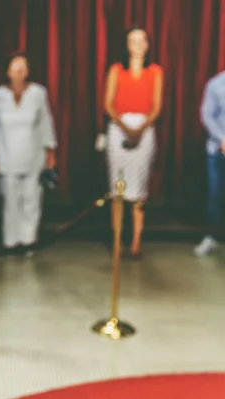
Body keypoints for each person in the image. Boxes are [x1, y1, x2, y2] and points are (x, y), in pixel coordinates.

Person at [0, 53, 57, 252]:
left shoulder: (38, 93)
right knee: (10, 200)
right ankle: (11, 242)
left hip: (34, 155)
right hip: (7, 154)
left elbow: (46, 123)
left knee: (32, 200)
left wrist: (50, 153)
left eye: (23, 67)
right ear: (8, 71)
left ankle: (28, 242)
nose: (19, 72)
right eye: (15, 67)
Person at [104, 26, 163, 258]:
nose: (138, 45)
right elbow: (108, 103)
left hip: (145, 129)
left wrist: (141, 127)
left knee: (138, 190)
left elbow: (156, 105)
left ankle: (136, 242)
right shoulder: (116, 70)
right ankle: (117, 239)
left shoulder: (155, 72)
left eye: (142, 41)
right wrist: (125, 126)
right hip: (119, 129)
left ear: (147, 45)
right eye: (133, 41)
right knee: (117, 188)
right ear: (126, 45)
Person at [194, 72, 225, 257]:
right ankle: (211, 237)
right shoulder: (216, 84)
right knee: (215, 195)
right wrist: (222, 138)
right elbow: (207, 114)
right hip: (217, 151)